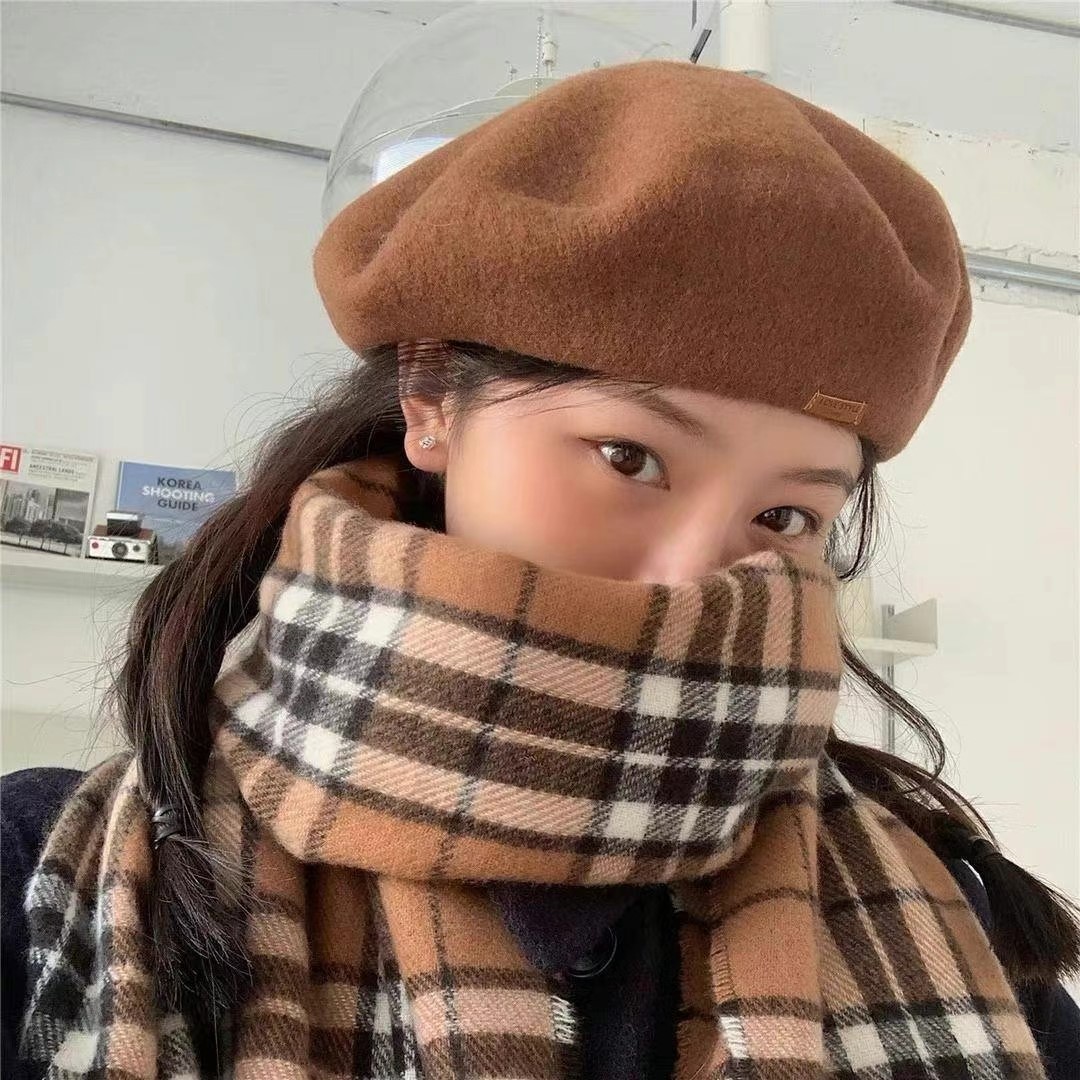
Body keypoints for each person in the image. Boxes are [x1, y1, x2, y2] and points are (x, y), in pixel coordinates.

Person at [3, 59, 1078, 1080]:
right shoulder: (50, 882)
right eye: (629, 458)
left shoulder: (954, 916)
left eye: (784, 515)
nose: (691, 576)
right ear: (431, 396)